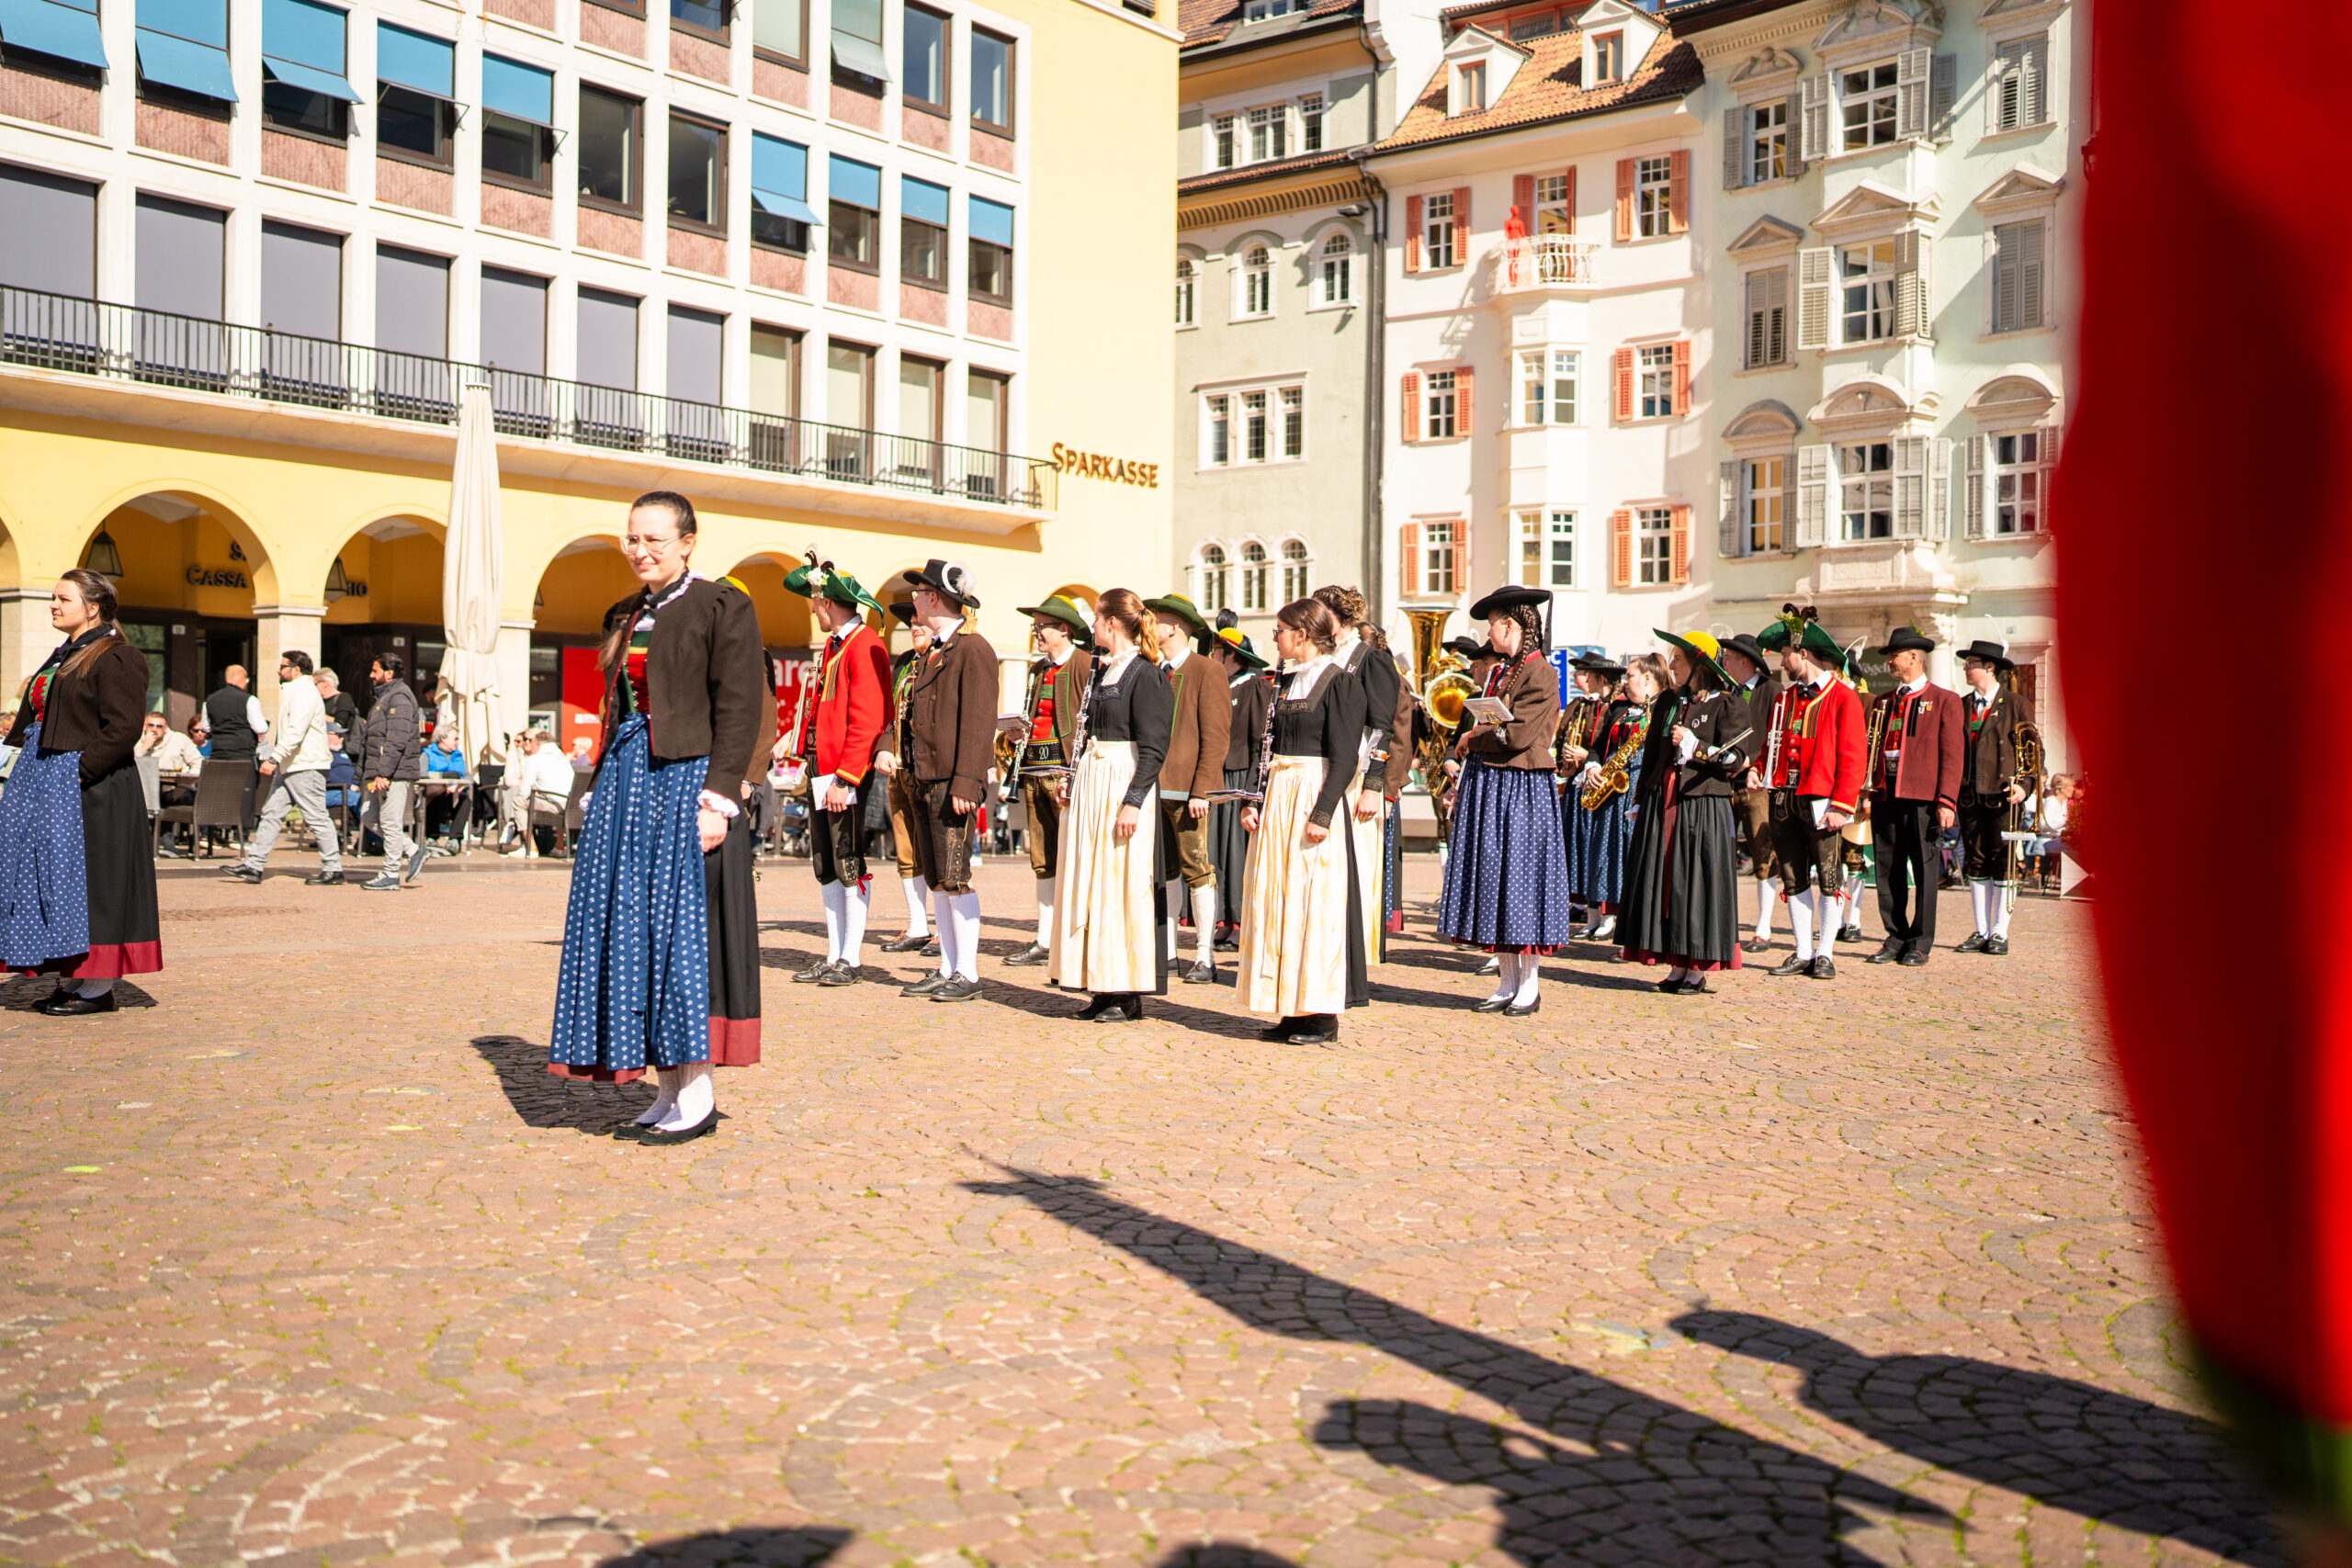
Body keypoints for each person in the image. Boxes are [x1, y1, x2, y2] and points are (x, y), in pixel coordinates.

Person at [548, 491, 773, 1145]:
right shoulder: (626, 613)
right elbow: (617, 707)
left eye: (654, 539)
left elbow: (741, 707)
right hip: (628, 781)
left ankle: (697, 1091)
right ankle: (667, 1089)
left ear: (688, 541)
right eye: (632, 538)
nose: (640, 550)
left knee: (682, 937)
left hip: (686, 782)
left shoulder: (722, 605)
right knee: (635, 934)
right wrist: (599, 784)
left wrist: (719, 796)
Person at [0, 570, 164, 1014]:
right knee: (55, 879)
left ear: (93, 608)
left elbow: (123, 728)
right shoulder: (65, 654)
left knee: (95, 881)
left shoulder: (117, 656)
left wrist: (78, 773)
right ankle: (73, 977)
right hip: (46, 779)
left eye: (63, 599)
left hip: (94, 787)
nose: (53, 605)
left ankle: (98, 987)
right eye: (53, 598)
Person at [1436, 585, 1577, 1016]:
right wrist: (1477, 736)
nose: (1488, 633)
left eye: (1493, 625)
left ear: (1510, 625)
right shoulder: (1501, 672)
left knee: (1521, 884)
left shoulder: (1541, 673)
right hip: (1492, 784)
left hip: (1521, 787)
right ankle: (1507, 982)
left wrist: (1472, 737)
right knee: (1495, 883)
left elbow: (1517, 735)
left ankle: (1529, 985)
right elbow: (1493, 724)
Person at [1237, 597, 1366, 1044]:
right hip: (1279, 795)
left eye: (1280, 631)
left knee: (1315, 903)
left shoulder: (1339, 683)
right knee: (1278, 900)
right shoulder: (1285, 682)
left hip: (1313, 794)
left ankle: (1322, 1013)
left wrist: (1323, 814)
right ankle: (1291, 1007)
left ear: (1303, 634)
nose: (1275, 638)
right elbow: (1266, 747)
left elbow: (1345, 758)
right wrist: (1253, 799)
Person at [1048, 588, 1172, 1021]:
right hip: (1094, 780)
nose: (1094, 628)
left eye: (1097, 620)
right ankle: (1100, 983)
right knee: (1092, 880)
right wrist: (1072, 778)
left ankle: (1126, 989)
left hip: (1123, 781)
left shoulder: (1147, 674)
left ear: (1112, 623)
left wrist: (1133, 801)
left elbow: (1154, 748)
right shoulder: (1102, 672)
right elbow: (1087, 733)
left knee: (1122, 884)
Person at [1618, 630, 1753, 994]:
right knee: (1666, 879)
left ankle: (1696, 967)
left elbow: (1737, 760)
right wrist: (1641, 796)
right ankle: (1676, 962)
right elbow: (1652, 753)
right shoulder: (1668, 701)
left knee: (1695, 881)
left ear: (1699, 665)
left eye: (1678, 658)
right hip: (1664, 799)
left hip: (1702, 804)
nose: (1672, 664)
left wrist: (1699, 749)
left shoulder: (1728, 704)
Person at [780, 552, 893, 984]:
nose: (812, 610)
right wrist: (793, 741)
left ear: (828, 602)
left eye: (815, 602)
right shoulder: (835, 644)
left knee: (849, 862)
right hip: (820, 769)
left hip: (843, 774)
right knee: (824, 864)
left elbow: (868, 718)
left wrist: (846, 778)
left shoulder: (865, 644)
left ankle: (851, 958)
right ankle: (832, 954)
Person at [899, 559, 995, 1002]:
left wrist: (968, 782)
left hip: (952, 782)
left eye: (919, 593)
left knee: (956, 877)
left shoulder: (972, 649)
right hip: (924, 777)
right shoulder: (934, 650)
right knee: (937, 877)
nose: (914, 601)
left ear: (934, 597)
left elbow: (979, 721)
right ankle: (947, 966)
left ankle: (968, 973)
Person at [1754, 610, 1866, 980]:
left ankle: (1825, 954)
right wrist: (1758, 769)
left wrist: (1842, 805)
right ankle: (1803, 951)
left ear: (1803, 654)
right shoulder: (1784, 699)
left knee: (1830, 879)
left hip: (1823, 802)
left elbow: (1854, 757)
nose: (1781, 662)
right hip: (1783, 799)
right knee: (1793, 877)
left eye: (1785, 654)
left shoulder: (1844, 698)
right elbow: (1771, 745)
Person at [1145, 592, 1232, 984]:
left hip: (1188, 791)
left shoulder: (1206, 670)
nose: (1149, 627)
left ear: (1174, 627)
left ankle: (1204, 955)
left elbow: (1216, 737)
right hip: (1153, 789)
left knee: (1197, 869)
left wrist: (1202, 790)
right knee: (1163, 873)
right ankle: (1167, 952)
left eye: (1156, 621)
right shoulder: (1153, 669)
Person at [1313, 584, 1402, 969]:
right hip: (1323, 772)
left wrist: (1373, 786)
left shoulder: (1370, 660)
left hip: (1357, 778)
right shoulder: (1320, 656)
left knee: (1355, 868)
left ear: (1337, 617)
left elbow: (1382, 727)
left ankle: (1352, 959)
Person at [1002, 594, 1093, 967]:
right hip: (1034, 770)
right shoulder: (1037, 668)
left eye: (1042, 627)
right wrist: (1016, 734)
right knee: (1042, 859)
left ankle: (1077, 935)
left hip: (1065, 774)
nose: (1036, 633)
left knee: (1075, 856)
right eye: (1035, 626)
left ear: (1064, 630)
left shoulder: (1086, 664)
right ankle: (1044, 937)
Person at [1864, 627, 1963, 967]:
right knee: (1887, 870)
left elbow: (1953, 755)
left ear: (1913, 657)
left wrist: (1946, 800)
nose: (1890, 662)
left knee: (1924, 871)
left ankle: (1920, 941)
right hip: (1886, 795)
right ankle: (1896, 935)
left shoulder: (1945, 700)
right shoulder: (1883, 702)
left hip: (1923, 798)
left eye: (1894, 656)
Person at [225, 649, 344, 886]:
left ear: (296, 670)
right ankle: (254, 865)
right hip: (292, 765)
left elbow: (295, 732)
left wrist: (273, 759)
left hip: (306, 766)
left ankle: (334, 869)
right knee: (272, 813)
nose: (278, 670)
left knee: (317, 817)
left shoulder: (304, 693)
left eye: (283, 666)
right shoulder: (296, 691)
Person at [1563, 653, 1650, 944]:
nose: (1625, 682)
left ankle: (1615, 917)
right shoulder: (1619, 708)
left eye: (1631, 676)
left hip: (1632, 785)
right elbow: (1599, 745)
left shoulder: (1655, 710)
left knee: (1622, 854)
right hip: (1607, 785)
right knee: (1599, 851)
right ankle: (1595, 915)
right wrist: (1592, 765)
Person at [1954, 638, 2034, 956]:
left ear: (1989, 667)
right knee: (1975, 860)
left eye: (1970, 663)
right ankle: (1982, 930)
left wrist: (2025, 785)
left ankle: (2000, 931)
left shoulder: (2016, 704)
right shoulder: (1961, 705)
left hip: (2005, 796)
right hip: (1970, 794)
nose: (1965, 668)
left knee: (2004, 861)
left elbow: (2033, 751)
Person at [874, 604, 937, 957]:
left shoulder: (945, 659)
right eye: (911, 623)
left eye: (920, 623)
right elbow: (890, 715)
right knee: (906, 849)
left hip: (932, 770)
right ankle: (917, 925)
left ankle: (947, 928)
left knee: (941, 852)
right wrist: (885, 748)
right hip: (900, 768)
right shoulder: (904, 663)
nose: (914, 628)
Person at [1719, 631, 1784, 953]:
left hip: (1757, 784)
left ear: (1745, 661)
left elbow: (1777, 736)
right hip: (1722, 782)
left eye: (1728, 658)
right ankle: (1723, 923)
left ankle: (1763, 928)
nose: (1724, 663)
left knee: (1763, 852)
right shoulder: (1724, 691)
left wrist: (1754, 764)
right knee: (1721, 852)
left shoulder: (1772, 691)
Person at [1207, 627, 1271, 953]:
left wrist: (1251, 788)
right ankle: (1223, 919)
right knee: (1216, 852)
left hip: (1240, 775)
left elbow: (1260, 739)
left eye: (1216, 649)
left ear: (1231, 653)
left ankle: (1240, 921)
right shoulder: (1217, 683)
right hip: (1217, 776)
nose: (1212, 654)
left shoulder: (1254, 686)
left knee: (1237, 854)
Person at [358, 654, 425, 891]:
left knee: (389, 821)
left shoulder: (400, 697)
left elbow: (397, 739)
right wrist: (363, 773)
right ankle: (413, 850)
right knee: (368, 817)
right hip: (380, 772)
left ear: (389, 673)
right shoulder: (385, 697)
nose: (371, 675)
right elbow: (372, 739)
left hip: (394, 772)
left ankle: (390, 874)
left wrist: (384, 773)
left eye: (375, 671)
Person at [497, 728, 576, 858]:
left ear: (538, 744)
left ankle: (530, 847)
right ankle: (560, 846)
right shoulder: (562, 759)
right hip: (570, 805)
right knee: (545, 799)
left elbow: (524, 790)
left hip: (554, 805)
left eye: (532, 742)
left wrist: (535, 791)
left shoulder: (535, 759)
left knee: (518, 801)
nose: (529, 745)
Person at [315, 667, 360, 755]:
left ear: (325, 683)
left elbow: (340, 723)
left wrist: (318, 715)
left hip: (339, 749)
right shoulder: (320, 701)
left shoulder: (343, 698)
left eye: (315, 684)